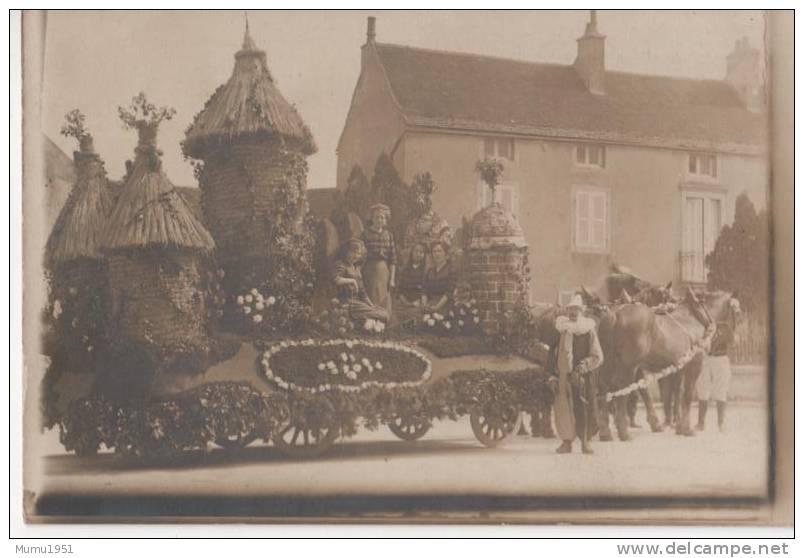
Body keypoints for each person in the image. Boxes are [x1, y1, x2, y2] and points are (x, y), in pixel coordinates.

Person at [549, 294, 603, 454]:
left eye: (576, 310)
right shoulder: (561, 329)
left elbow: (597, 356)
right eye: (570, 309)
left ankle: (585, 441)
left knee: (583, 409)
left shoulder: (588, 330)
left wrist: (582, 367)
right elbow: (552, 354)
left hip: (582, 377)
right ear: (567, 311)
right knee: (563, 410)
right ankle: (567, 442)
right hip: (563, 377)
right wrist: (552, 376)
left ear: (582, 311)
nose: (573, 313)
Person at [332, 238, 389, 324]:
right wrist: (352, 281)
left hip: (357, 302)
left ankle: (366, 321)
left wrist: (371, 306)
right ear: (346, 252)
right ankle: (364, 322)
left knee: (384, 313)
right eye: (353, 252)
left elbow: (363, 293)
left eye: (358, 253)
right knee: (382, 316)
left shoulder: (356, 269)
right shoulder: (341, 265)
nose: (355, 256)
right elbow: (336, 279)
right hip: (346, 303)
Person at [696, 321, 736, 433]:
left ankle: (721, 423)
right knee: (702, 387)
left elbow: (732, 343)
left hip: (721, 358)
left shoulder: (725, 326)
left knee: (721, 389)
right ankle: (701, 423)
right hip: (706, 358)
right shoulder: (703, 325)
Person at [361, 204, 396, 316]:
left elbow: (393, 259)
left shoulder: (389, 235)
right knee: (370, 297)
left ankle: (382, 322)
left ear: (386, 219)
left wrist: (392, 279)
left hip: (384, 271)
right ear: (371, 218)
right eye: (377, 217)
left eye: (382, 217)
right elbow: (360, 256)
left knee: (383, 299)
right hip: (369, 270)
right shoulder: (365, 234)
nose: (379, 220)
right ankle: (369, 321)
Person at [424, 241, 455, 312]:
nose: (437, 254)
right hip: (430, 304)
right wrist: (425, 305)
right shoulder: (429, 271)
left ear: (445, 253)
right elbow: (424, 290)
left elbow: (449, 292)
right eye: (434, 252)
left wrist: (437, 307)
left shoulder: (451, 269)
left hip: (446, 306)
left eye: (439, 251)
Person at [397, 242, 428, 307]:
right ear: (412, 253)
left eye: (421, 252)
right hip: (404, 303)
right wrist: (407, 303)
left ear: (424, 255)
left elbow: (425, 291)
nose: (418, 254)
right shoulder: (405, 270)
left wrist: (421, 302)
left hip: (419, 303)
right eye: (416, 251)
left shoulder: (426, 271)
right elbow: (400, 291)